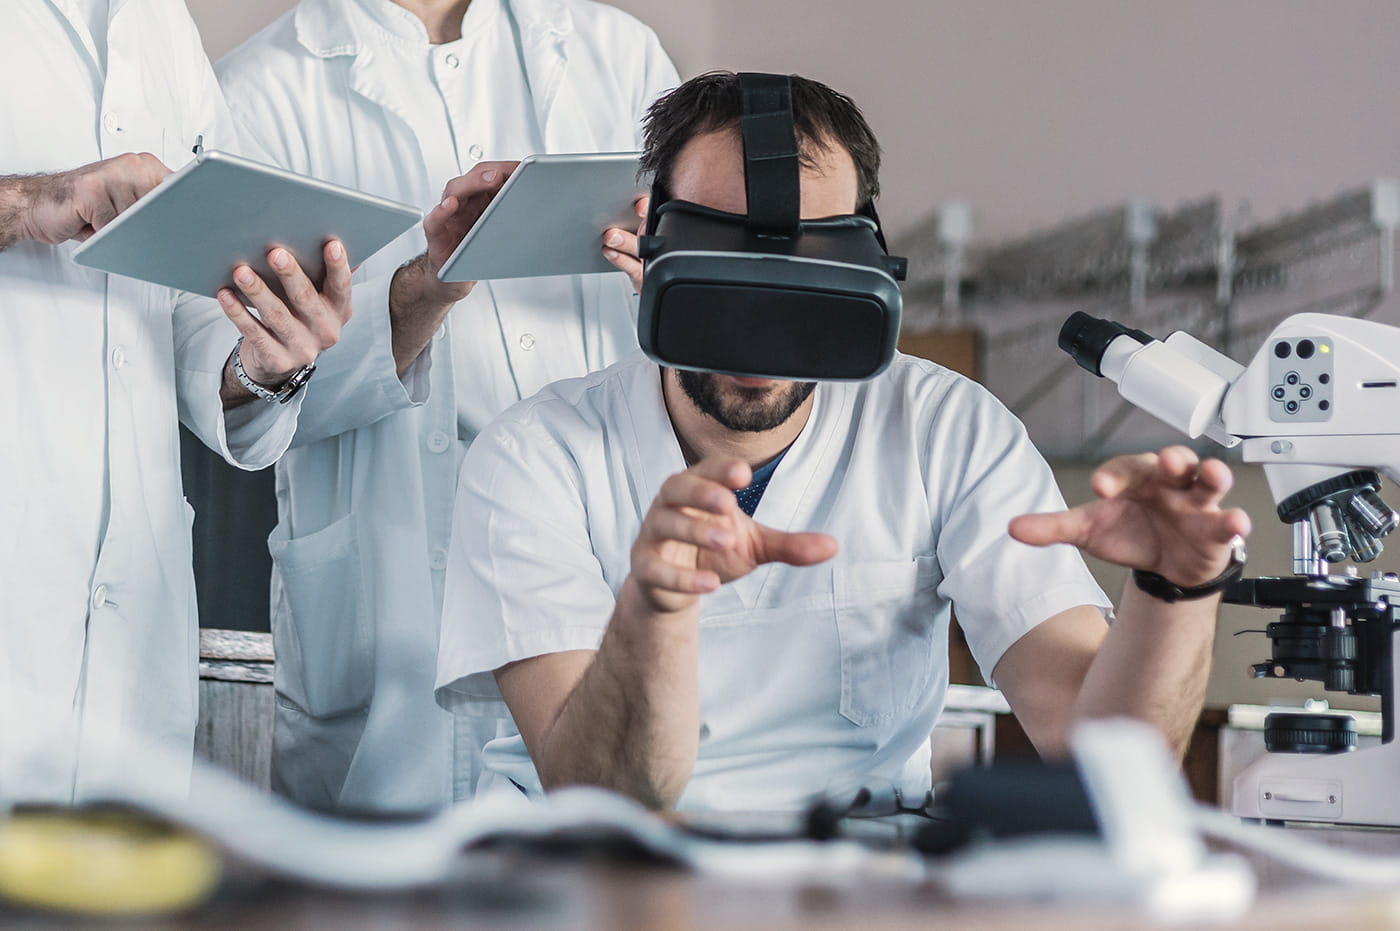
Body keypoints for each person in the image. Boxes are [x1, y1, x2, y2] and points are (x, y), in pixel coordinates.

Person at [435, 72, 1251, 812]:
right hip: (601, 877)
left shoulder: (945, 429)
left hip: (856, 874)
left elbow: (1102, 760)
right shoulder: (535, 456)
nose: (763, 321)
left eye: (806, 268)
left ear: (862, 266)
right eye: (725, 264)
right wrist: (656, 609)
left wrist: (1173, 592)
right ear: (651, 247)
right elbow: (602, 797)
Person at [215, 0, 678, 812]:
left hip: (597, 576)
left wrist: (677, 282)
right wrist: (422, 289)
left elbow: (693, 353)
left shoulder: (619, 55)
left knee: (606, 838)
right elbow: (252, 396)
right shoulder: (258, 90)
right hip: (388, 613)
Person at [1, 0, 353, 801]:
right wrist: (27, 204)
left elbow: (183, 308)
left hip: (134, 656)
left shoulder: (161, 25)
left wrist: (261, 359)